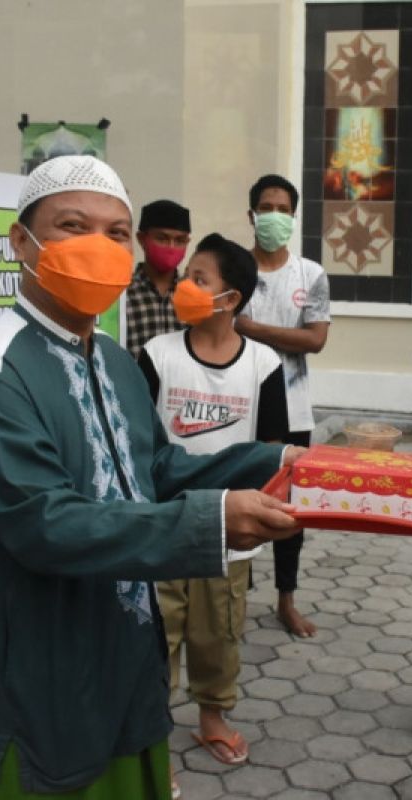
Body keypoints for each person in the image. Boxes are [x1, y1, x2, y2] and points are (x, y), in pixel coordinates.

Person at [0, 155, 303, 799]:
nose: (97, 248)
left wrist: (278, 464)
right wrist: (213, 521)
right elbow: (45, 525)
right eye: (72, 226)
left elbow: (155, 468)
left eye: (115, 233)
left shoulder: (110, 356)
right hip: (43, 674)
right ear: (21, 242)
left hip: (124, 658)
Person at [138, 233, 287, 775]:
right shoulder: (157, 354)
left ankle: (212, 719)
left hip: (230, 533)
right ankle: (147, 739)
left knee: (217, 632)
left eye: (199, 279)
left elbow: (272, 450)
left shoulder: (264, 365)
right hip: (162, 525)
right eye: (186, 277)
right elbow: (138, 441)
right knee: (156, 633)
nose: (184, 286)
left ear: (232, 299)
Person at [235, 174, 330, 638]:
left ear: (293, 217)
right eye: (265, 206)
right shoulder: (235, 270)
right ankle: (234, 598)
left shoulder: (310, 274)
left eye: (282, 208)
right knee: (239, 502)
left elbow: (315, 339)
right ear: (251, 214)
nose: (273, 215)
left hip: (293, 411)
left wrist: (252, 329)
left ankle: (286, 601)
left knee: (290, 510)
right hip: (238, 408)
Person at [125, 199, 192, 359]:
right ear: (142, 239)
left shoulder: (193, 295)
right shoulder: (122, 292)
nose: (171, 247)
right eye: (162, 238)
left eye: (180, 240)